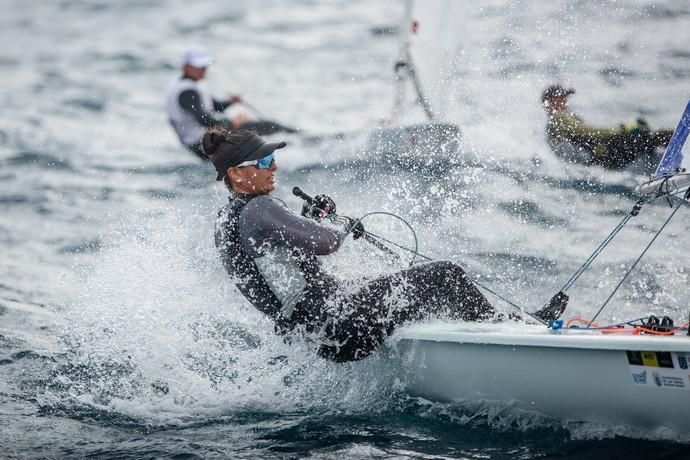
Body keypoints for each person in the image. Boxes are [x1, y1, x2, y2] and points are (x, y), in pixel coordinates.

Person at [207, 127, 561, 362]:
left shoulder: (227, 221)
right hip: (339, 324)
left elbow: (278, 264)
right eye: (265, 161)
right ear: (236, 173)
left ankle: (476, 337)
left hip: (314, 335)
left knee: (394, 287)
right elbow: (327, 242)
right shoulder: (260, 207)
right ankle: (521, 331)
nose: (274, 167)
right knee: (445, 276)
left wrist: (307, 216)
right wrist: (337, 224)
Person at [165, 46, 296, 159]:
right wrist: (230, 123)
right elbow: (202, 119)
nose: (203, 69)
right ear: (186, 66)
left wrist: (231, 102)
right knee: (270, 127)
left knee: (263, 129)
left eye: (204, 65)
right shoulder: (187, 92)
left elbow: (215, 106)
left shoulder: (182, 85)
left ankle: (294, 143)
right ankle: (301, 144)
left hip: (200, 144)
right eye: (199, 66)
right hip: (203, 145)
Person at [542, 84, 674, 169]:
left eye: (565, 98)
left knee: (647, 140)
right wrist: (624, 127)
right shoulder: (559, 117)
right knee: (647, 135)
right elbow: (590, 132)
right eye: (561, 99)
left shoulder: (551, 127)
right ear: (550, 102)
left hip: (599, 160)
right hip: (605, 154)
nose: (565, 102)